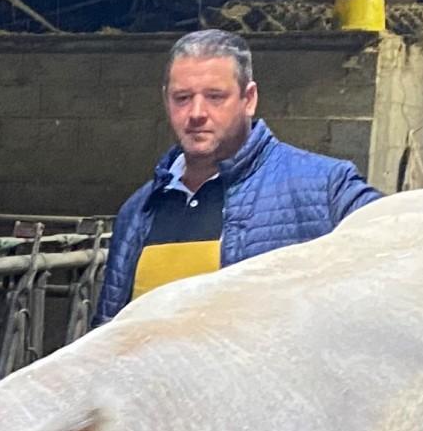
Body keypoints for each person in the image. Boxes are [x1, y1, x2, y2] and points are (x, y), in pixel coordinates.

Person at [91, 27, 381, 323]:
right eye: (182, 98)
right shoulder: (138, 211)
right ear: (166, 100)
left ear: (249, 99)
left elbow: (406, 242)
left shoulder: (327, 188)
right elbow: (108, 333)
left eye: (215, 97)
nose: (196, 113)